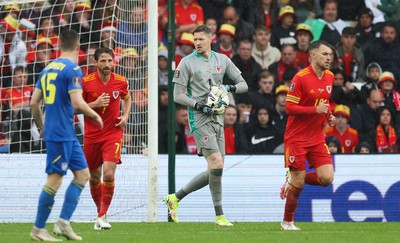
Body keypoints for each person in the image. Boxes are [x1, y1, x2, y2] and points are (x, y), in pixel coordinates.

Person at [163, 25, 248, 226]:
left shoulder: (223, 60)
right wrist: (198, 104)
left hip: (218, 118)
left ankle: (176, 199)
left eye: (201, 39)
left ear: (211, 39)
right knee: (216, 164)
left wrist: (228, 87)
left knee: (216, 169)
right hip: (198, 118)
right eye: (195, 39)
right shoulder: (186, 63)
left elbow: (243, 85)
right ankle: (217, 215)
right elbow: (177, 95)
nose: (198, 43)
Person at [29, 29, 103, 241]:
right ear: (78, 45)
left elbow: (34, 102)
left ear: (59, 45)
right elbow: (77, 103)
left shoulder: (48, 69)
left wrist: (41, 125)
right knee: (55, 179)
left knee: (83, 175)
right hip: (61, 133)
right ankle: (38, 229)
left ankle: (63, 223)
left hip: (64, 132)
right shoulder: (73, 69)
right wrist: (95, 115)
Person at [279, 40, 336, 230]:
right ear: (313, 55)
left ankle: (293, 178)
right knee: (299, 182)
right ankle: (287, 222)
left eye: (330, 55)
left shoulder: (329, 76)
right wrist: (316, 110)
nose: (329, 58)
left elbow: (324, 102)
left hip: (317, 137)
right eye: (325, 54)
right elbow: (289, 108)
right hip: (296, 137)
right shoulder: (300, 78)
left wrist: (329, 115)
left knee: (327, 178)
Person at [82, 47, 131, 230]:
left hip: (113, 132)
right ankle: (101, 214)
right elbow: (76, 107)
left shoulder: (120, 81)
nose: (107, 64)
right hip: (92, 135)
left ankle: (102, 215)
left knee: (109, 174)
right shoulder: (86, 82)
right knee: (94, 179)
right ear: (96, 62)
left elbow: (127, 98)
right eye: (103, 61)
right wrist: (94, 104)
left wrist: (125, 116)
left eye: (110, 60)